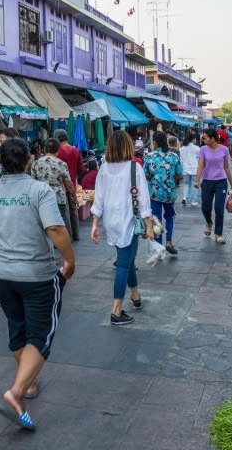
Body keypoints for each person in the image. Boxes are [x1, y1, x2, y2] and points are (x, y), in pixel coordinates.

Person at [0, 138, 75, 432]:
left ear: (0, 162)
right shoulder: (38, 190)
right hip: (37, 274)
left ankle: (28, 383)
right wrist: (70, 260)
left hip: (2, 274)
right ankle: (16, 393)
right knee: (40, 335)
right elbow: (56, 229)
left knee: (18, 328)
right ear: (29, 160)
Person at [91, 130, 155, 326]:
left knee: (127, 258)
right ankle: (116, 311)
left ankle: (135, 296)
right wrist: (149, 225)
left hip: (111, 220)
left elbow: (98, 198)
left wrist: (94, 224)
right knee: (123, 264)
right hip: (128, 219)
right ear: (128, 146)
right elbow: (143, 199)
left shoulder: (103, 169)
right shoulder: (135, 167)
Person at [196, 127, 232, 244]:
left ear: (212, 138)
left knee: (219, 208)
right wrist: (197, 180)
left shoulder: (224, 149)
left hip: (221, 181)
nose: (203, 139)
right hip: (207, 181)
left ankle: (218, 234)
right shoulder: (203, 149)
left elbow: (227, 167)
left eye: (205, 137)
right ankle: (209, 223)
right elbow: (200, 166)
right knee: (205, 207)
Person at [145, 130, 182, 254]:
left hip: (154, 193)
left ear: (154, 142)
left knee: (156, 220)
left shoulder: (149, 157)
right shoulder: (174, 156)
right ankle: (169, 242)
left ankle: (159, 246)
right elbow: (180, 174)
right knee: (170, 216)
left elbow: (146, 174)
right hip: (169, 193)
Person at [30, 138, 73, 238]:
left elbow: (33, 183)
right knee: (60, 223)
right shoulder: (61, 163)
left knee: (43, 223)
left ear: (45, 149)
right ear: (58, 150)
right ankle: (62, 243)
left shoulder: (36, 163)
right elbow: (69, 184)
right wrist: (74, 198)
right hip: (58, 197)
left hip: (41, 198)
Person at [54, 130, 84, 241]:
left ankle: (68, 236)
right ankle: (76, 235)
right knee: (73, 210)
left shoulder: (57, 152)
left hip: (59, 186)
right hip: (72, 184)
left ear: (57, 139)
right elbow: (81, 169)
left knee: (63, 210)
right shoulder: (75, 151)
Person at [180, 132, 200, 207]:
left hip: (185, 169)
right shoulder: (197, 148)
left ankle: (184, 197)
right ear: (193, 139)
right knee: (194, 184)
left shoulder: (182, 149)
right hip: (195, 169)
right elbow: (199, 159)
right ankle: (193, 201)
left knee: (186, 184)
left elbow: (181, 160)